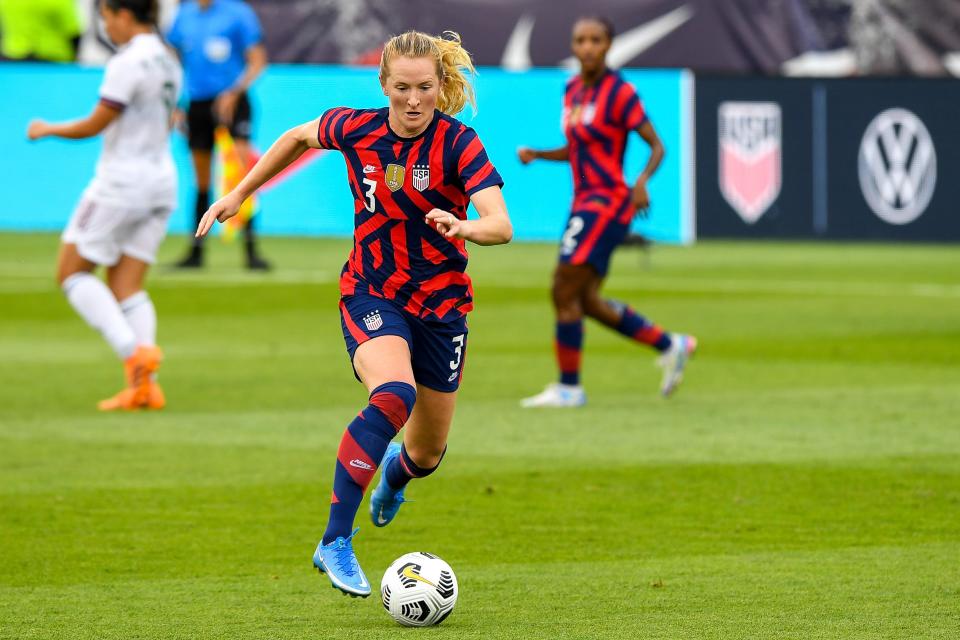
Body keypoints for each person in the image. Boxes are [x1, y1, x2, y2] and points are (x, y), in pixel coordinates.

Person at [195, 30, 512, 597]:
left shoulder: (459, 144)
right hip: (372, 290)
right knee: (393, 394)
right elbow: (295, 137)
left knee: (427, 451)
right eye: (401, 89)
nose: (413, 101)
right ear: (383, 86)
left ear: (441, 85)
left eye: (424, 88)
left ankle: (395, 474)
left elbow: (501, 223)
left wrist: (467, 227)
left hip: (442, 308)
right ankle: (335, 540)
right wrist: (238, 193)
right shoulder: (356, 127)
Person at [518, 16, 696, 408]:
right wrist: (539, 154)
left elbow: (657, 145)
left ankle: (568, 388)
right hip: (583, 203)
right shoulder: (572, 90)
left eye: (595, 40)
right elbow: (578, 150)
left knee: (562, 288)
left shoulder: (620, 92)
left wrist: (642, 181)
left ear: (609, 45)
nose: (587, 47)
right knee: (585, 300)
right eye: (580, 40)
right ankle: (671, 344)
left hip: (607, 203)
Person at [26, 0, 182, 410]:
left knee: (71, 273)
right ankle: (145, 387)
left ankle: (134, 353)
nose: (106, 27)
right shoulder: (169, 59)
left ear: (124, 15)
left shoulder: (127, 61)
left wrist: (47, 128)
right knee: (127, 286)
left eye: (107, 18)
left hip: (120, 184)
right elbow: (167, 120)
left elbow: (96, 122)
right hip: (162, 181)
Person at [166, 0, 270, 269]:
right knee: (201, 180)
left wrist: (234, 92)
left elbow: (257, 61)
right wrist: (176, 103)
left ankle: (251, 251)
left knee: (242, 175)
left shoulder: (238, 13)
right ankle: (196, 252)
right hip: (197, 105)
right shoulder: (184, 15)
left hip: (233, 103)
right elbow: (173, 61)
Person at [0, 0, 82, 62]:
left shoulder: (6, 1)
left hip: (13, 58)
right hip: (53, 60)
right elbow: (73, 34)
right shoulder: (60, 1)